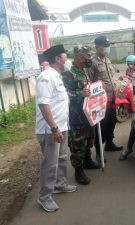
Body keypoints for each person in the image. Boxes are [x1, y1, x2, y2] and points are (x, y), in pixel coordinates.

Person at [35, 45, 76, 212]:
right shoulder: (46, 77)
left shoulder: (58, 76)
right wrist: (54, 128)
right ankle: (44, 197)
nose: (68, 59)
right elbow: (44, 104)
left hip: (62, 126)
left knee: (62, 158)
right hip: (50, 129)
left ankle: (60, 184)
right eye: (66, 56)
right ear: (58, 59)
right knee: (50, 164)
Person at [62, 46, 100, 186]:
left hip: (88, 114)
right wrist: (79, 94)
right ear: (78, 57)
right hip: (76, 116)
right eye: (85, 56)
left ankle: (88, 161)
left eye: (89, 56)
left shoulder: (84, 71)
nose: (88, 59)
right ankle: (78, 170)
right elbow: (65, 95)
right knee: (78, 144)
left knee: (89, 139)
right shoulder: (68, 75)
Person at [88, 36, 123, 162]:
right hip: (101, 101)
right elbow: (90, 81)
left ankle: (109, 143)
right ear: (97, 47)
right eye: (104, 45)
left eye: (108, 45)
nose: (107, 47)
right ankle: (98, 152)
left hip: (112, 97)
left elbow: (111, 75)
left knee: (112, 121)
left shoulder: (107, 60)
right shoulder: (92, 62)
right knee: (101, 125)